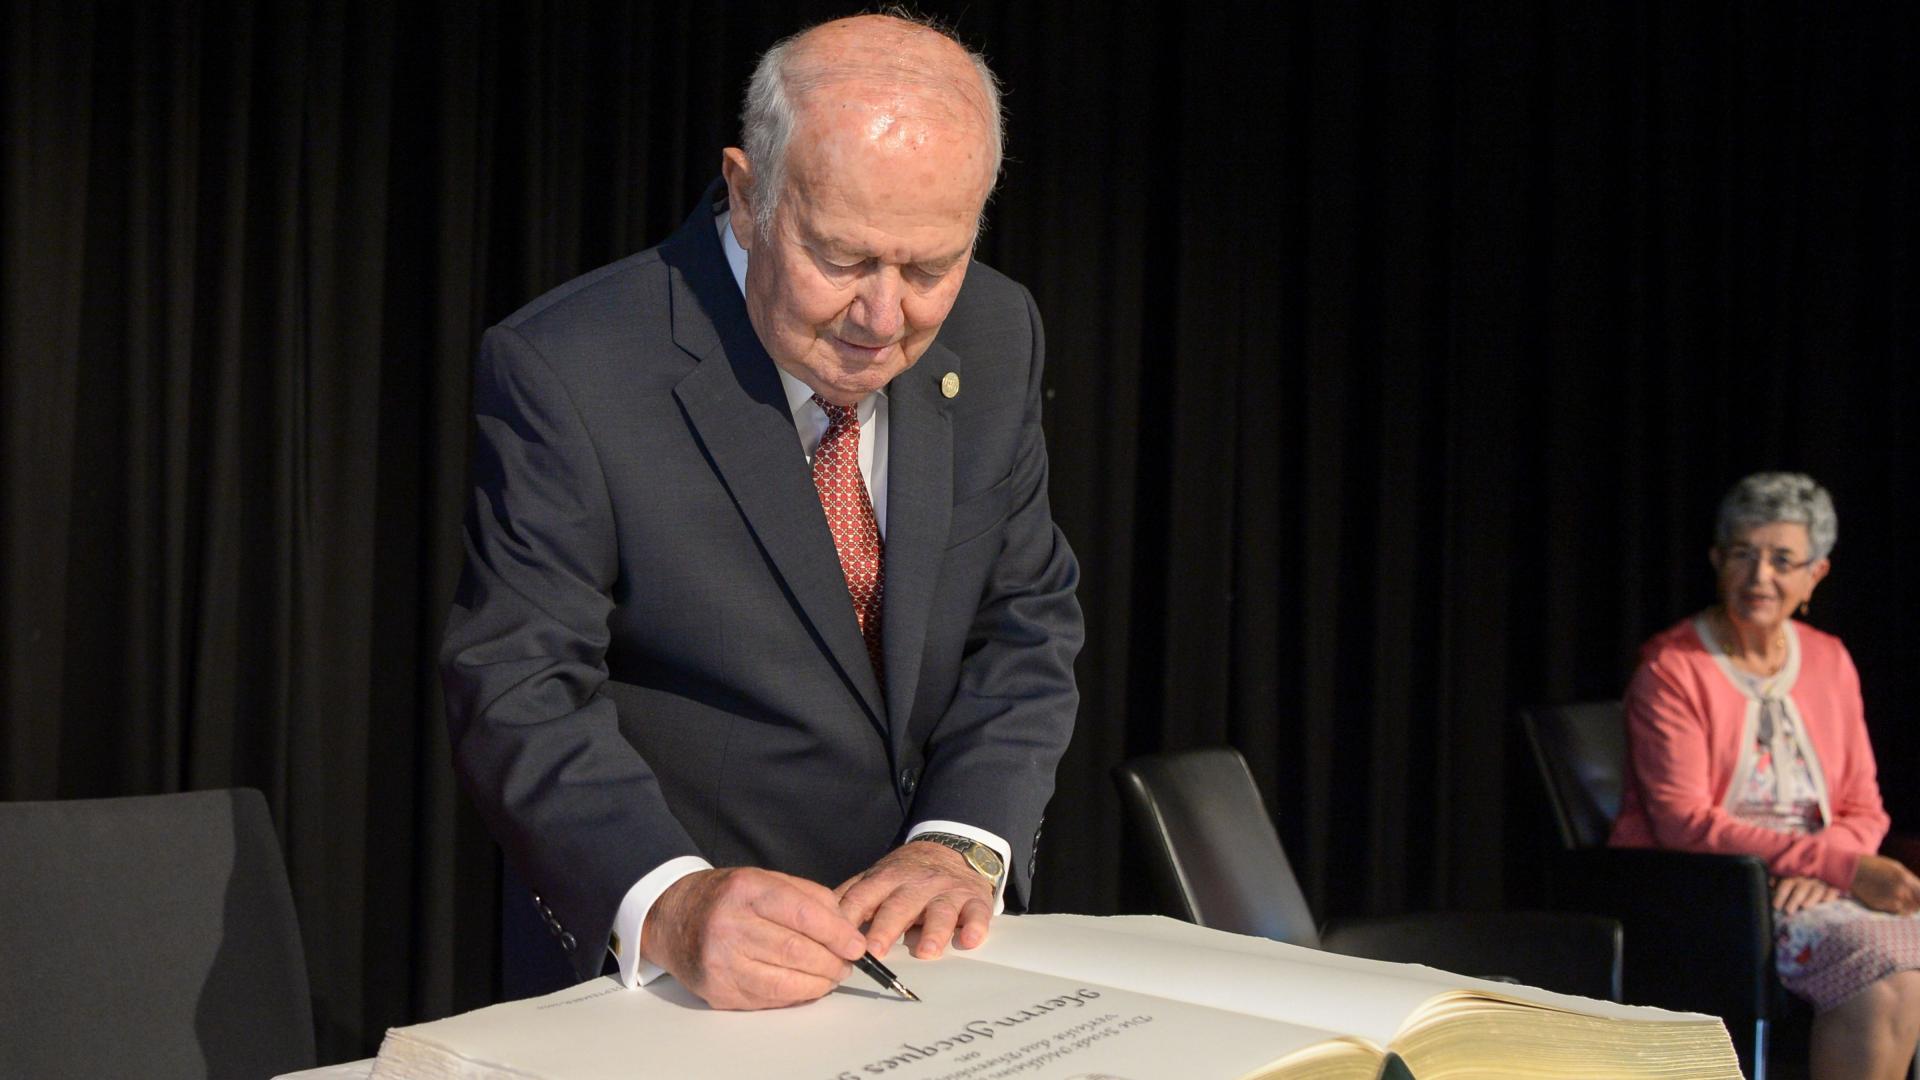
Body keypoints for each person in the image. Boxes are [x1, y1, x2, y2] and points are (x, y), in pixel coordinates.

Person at [439, 13, 1082, 1011]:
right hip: (684, 984)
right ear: (747, 195)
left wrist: (961, 842)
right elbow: (518, 682)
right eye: (842, 258)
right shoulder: (571, 369)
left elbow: (1026, 622)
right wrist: (672, 901)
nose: (884, 317)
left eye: (928, 268)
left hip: (939, 972)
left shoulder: (1000, 334)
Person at [1611, 472, 1920, 1079]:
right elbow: (1684, 823)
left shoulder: (1829, 659)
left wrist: (1830, 863)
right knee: (1890, 970)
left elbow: (1864, 803)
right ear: (1717, 560)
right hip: (1719, 890)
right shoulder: (1671, 669)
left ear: (1815, 575)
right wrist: (1839, 867)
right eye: (1743, 555)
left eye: (1782, 560)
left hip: (1820, 884)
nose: (1760, 578)